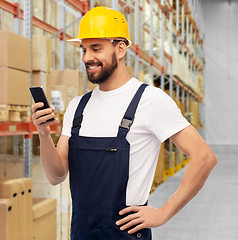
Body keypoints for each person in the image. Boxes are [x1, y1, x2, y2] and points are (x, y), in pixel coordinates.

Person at [31, 6, 217, 240]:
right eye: (84, 49)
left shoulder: (149, 100)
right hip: (81, 233)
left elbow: (204, 157)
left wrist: (163, 213)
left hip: (126, 235)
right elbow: (56, 175)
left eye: (96, 48)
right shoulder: (78, 106)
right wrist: (44, 134)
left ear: (120, 49)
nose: (87, 58)